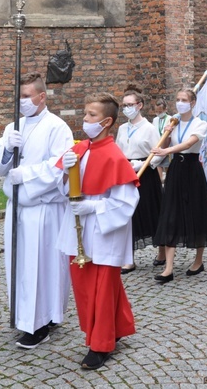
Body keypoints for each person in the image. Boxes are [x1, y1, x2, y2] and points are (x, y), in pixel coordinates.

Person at [56, 92, 139, 370]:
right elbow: (63, 190)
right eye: (85, 114)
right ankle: (118, 325)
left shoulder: (115, 157)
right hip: (77, 228)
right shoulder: (78, 150)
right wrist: (66, 174)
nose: (85, 119)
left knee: (102, 288)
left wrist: (93, 209)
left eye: (91, 115)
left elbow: (126, 202)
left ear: (105, 122)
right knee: (84, 287)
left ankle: (100, 344)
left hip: (104, 232)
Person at [0, 72, 73, 349]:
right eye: (20, 97)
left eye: (26, 96)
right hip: (18, 208)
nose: (22, 101)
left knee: (43, 266)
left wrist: (25, 174)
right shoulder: (13, 126)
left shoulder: (57, 127)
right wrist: (6, 152)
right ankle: (27, 317)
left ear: (41, 96)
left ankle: (41, 322)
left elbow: (59, 165)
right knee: (21, 267)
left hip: (43, 209)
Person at [151, 88, 207, 283]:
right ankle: (169, 268)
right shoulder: (173, 121)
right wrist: (166, 135)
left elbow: (189, 144)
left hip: (192, 169)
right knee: (170, 214)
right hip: (175, 170)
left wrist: (168, 149)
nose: (180, 103)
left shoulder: (200, 123)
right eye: (178, 99)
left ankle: (198, 260)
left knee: (196, 212)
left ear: (193, 102)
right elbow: (163, 145)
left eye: (184, 100)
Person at [115, 87, 164, 274]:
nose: (127, 108)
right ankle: (129, 258)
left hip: (145, 172)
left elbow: (158, 154)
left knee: (152, 211)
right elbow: (119, 151)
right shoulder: (122, 128)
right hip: (127, 172)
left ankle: (161, 251)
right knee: (128, 215)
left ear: (139, 105)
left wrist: (143, 164)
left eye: (130, 105)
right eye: (124, 105)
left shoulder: (149, 128)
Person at [151, 98, 171, 180]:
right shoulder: (155, 120)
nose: (158, 113)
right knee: (158, 165)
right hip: (158, 146)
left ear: (165, 109)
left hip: (167, 146)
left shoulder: (170, 119)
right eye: (157, 112)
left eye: (160, 111)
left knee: (168, 168)